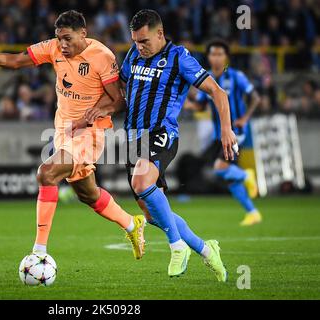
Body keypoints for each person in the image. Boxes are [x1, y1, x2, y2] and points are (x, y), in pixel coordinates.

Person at [0, 10, 145, 259]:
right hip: (63, 130)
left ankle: (39, 252)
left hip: (91, 132)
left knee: (47, 173)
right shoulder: (52, 48)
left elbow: (120, 101)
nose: (62, 44)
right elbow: (14, 61)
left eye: (67, 38)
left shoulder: (102, 56)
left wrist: (95, 112)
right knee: (88, 194)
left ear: (83, 34)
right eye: (59, 38)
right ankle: (132, 224)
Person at [78, 10, 237, 281]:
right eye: (136, 42)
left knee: (141, 181)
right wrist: (96, 110)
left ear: (160, 34)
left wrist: (226, 129)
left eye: (145, 41)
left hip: (162, 133)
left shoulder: (179, 58)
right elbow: (121, 98)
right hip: (132, 140)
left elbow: (217, 93)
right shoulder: (133, 55)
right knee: (153, 215)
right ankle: (206, 249)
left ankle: (177, 248)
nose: (140, 47)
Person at [190, 39, 262, 226]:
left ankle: (247, 175)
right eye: (213, 54)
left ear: (226, 56)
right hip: (219, 134)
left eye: (220, 54)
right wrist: (184, 102)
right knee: (230, 177)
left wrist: (245, 118)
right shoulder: (205, 79)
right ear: (208, 56)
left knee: (219, 167)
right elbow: (200, 105)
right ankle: (252, 212)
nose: (216, 58)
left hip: (236, 131)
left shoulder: (236, 76)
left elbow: (255, 97)